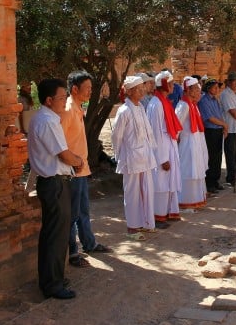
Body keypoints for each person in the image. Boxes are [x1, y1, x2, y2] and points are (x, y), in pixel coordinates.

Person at [28, 78, 85, 300]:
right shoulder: (47, 121)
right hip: (54, 183)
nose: (64, 102)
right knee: (55, 235)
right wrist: (78, 161)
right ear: (49, 100)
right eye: (62, 98)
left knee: (55, 233)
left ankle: (54, 278)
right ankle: (52, 284)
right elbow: (63, 154)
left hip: (54, 182)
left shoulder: (46, 118)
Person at [61, 71, 112, 269]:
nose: (91, 92)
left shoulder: (77, 108)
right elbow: (61, 144)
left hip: (81, 169)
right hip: (72, 171)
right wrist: (72, 163)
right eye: (88, 88)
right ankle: (73, 252)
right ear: (75, 89)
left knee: (83, 210)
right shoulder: (67, 110)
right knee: (73, 213)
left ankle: (89, 244)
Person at [111, 76, 158, 241]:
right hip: (131, 158)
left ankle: (146, 222)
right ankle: (132, 227)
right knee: (132, 193)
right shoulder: (124, 111)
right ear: (129, 91)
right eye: (138, 88)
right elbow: (116, 137)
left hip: (144, 157)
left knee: (146, 190)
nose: (142, 91)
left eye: (142, 88)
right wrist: (119, 156)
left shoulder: (140, 108)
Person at [146, 70, 183, 227]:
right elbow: (155, 134)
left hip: (169, 146)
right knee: (160, 183)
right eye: (171, 83)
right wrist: (162, 158)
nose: (173, 86)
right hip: (161, 152)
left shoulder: (164, 102)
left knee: (168, 183)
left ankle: (168, 212)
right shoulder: (156, 105)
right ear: (164, 84)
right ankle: (157, 216)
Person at [175, 77, 209, 210]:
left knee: (197, 170)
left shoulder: (193, 105)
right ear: (188, 90)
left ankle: (196, 199)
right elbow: (177, 126)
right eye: (195, 89)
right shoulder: (183, 106)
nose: (198, 91)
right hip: (187, 144)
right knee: (188, 171)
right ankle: (185, 201)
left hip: (196, 143)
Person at [198, 78, 227, 194]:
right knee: (211, 157)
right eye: (215, 87)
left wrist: (224, 126)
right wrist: (224, 124)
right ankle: (209, 182)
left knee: (218, 157)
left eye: (218, 87)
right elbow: (209, 118)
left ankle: (215, 180)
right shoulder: (204, 100)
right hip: (210, 131)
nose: (217, 89)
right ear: (208, 88)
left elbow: (219, 114)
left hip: (218, 130)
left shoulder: (216, 100)